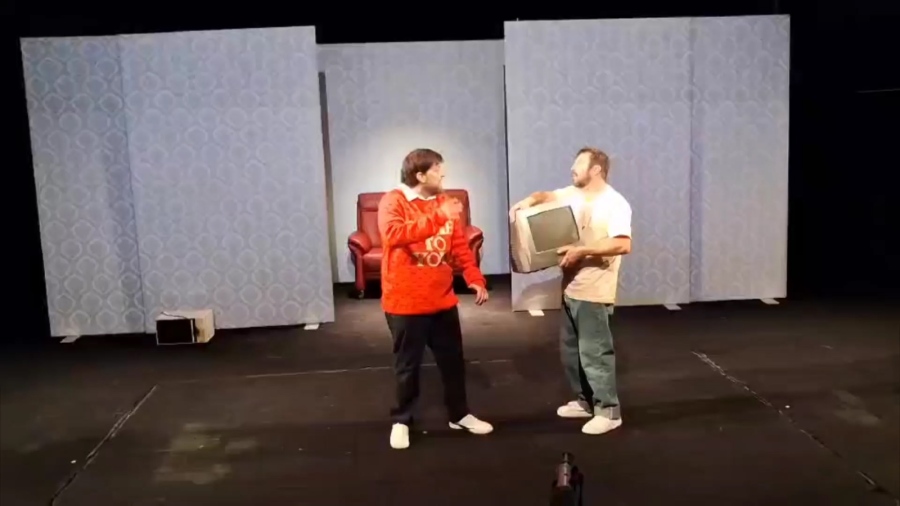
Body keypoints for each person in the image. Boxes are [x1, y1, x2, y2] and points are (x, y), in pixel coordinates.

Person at [508, 147, 632, 435]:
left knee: (594, 352)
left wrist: (583, 250)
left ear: (596, 169)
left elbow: (623, 244)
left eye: (578, 164)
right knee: (571, 351)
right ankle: (585, 401)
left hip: (595, 288)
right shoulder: (572, 194)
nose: (572, 169)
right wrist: (528, 201)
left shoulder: (615, 203)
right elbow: (546, 196)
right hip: (571, 288)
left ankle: (608, 411)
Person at [377, 148, 494, 450]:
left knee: (453, 362)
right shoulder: (394, 200)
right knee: (407, 366)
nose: (444, 173)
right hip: (405, 302)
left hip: (442, 300)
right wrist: (438, 217)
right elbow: (394, 234)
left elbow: (458, 245)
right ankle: (402, 420)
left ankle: (459, 414)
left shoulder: (445, 202)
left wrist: (473, 276)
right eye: (438, 168)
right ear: (420, 175)